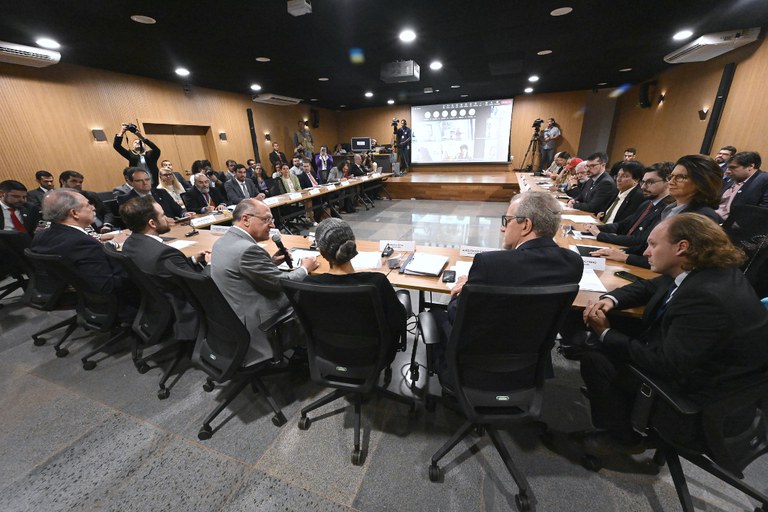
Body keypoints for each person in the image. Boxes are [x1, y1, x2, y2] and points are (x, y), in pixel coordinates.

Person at [579, 213, 768, 455]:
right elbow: (652, 285)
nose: (646, 252)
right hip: (715, 380)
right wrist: (611, 298)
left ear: (682, 247)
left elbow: (665, 365)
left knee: (596, 358)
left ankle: (623, 437)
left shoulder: (706, 298)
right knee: (614, 333)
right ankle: (618, 403)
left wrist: (605, 333)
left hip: (698, 407)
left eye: (653, 245)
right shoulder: (710, 271)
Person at [432, 192, 584, 381]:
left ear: (526, 225)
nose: (503, 229)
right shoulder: (573, 263)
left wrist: (463, 290)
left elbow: (458, 314)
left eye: (508, 220)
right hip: (530, 365)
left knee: (435, 316)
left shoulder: (490, 264)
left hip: (477, 365)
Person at [210, 199, 319, 360]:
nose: (272, 225)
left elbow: (243, 270)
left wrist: (270, 263)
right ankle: (315, 351)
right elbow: (282, 283)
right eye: (267, 219)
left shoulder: (223, 241)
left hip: (232, 315)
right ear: (246, 219)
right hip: (259, 321)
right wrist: (305, 268)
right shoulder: (247, 250)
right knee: (313, 293)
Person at [305, 218, 406, 364]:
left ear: (322, 252)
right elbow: (398, 318)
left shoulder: (309, 284)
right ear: (353, 245)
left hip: (328, 354)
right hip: (374, 357)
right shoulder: (376, 282)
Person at [120, 196, 209, 341]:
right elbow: (200, 286)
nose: (167, 218)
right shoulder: (164, 253)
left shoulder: (130, 243)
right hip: (185, 307)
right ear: (152, 223)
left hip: (156, 303)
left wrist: (193, 259)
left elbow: (167, 270)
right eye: (162, 215)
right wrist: (210, 264)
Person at [31, 189, 134, 300]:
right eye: (88, 204)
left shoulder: (41, 236)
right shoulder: (81, 243)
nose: (93, 208)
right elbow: (108, 285)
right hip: (112, 302)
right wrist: (116, 248)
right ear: (74, 213)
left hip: (64, 293)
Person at [585, 163, 675, 253]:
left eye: (650, 182)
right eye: (643, 182)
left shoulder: (667, 209)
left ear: (667, 182)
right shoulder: (647, 203)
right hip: (624, 249)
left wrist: (600, 235)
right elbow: (622, 225)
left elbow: (639, 240)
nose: (643, 187)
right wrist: (595, 228)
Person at [716, 151, 768, 220]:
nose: (728, 171)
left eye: (733, 168)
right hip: (713, 218)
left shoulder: (764, 180)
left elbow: (763, 211)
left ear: (750, 166)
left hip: (733, 225)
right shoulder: (732, 178)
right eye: (728, 168)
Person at [117, 168, 185, 220]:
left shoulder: (161, 192)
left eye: (147, 179)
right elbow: (133, 221)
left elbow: (178, 210)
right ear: (131, 183)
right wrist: (161, 221)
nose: (145, 183)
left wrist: (184, 214)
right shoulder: (126, 199)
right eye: (139, 181)